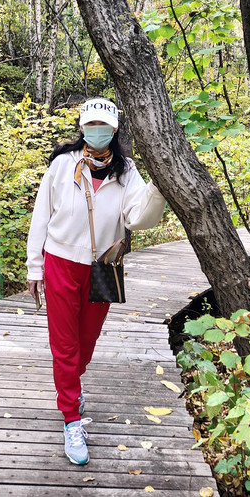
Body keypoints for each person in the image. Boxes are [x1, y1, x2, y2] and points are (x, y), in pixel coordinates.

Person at [26, 97, 166, 465]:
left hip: (104, 265)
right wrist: (33, 267)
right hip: (60, 261)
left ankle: (72, 383)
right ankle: (71, 418)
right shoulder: (62, 165)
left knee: (87, 339)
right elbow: (41, 215)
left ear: (114, 130)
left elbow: (138, 218)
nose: (96, 132)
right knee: (65, 342)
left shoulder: (127, 171)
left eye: (103, 126)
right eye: (90, 125)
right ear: (82, 127)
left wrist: (161, 188)